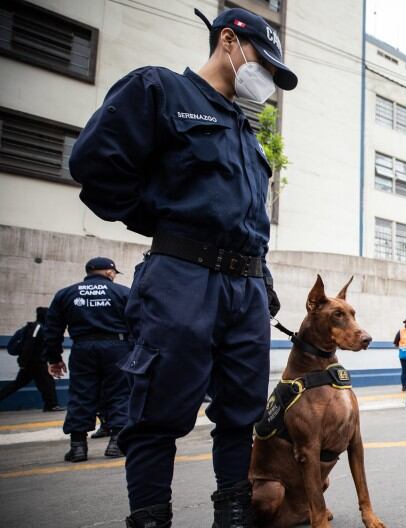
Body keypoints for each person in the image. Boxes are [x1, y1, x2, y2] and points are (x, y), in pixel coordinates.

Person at [67, 6, 296, 526]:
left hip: (246, 286)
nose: (268, 82)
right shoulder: (161, 90)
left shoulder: (247, 132)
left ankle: (232, 517)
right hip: (181, 279)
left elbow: (250, 220)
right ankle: (152, 519)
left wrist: (263, 283)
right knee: (157, 414)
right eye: (264, 63)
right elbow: (94, 165)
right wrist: (163, 227)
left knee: (242, 414)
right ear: (229, 41)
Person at [43, 258, 130, 463]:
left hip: (82, 348)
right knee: (120, 393)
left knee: (81, 394)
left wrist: (54, 358)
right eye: (114, 273)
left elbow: (52, 329)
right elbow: (138, 322)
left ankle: (78, 447)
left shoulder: (66, 294)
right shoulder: (123, 293)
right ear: (109, 272)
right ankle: (117, 443)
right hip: (117, 347)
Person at [0, 307, 63, 412]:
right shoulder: (38, 328)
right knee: (47, 383)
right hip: (34, 362)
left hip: (32, 362)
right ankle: (51, 405)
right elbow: (30, 346)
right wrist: (24, 362)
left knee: (20, 384)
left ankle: (51, 405)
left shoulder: (35, 327)